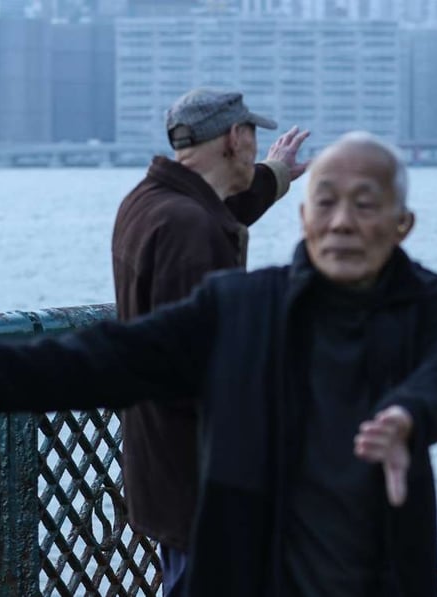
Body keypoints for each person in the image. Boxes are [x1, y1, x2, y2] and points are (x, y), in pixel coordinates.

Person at [0, 132, 437, 597]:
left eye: (365, 204)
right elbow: (105, 359)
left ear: (402, 224)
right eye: (327, 202)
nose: (342, 221)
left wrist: (408, 416)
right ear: (303, 215)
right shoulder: (239, 308)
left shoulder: (429, 305)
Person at [112, 87, 310, 596]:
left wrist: (277, 174)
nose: (253, 148)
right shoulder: (187, 228)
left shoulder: (151, 202)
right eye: (252, 138)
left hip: (162, 458)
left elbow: (225, 208)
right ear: (236, 137)